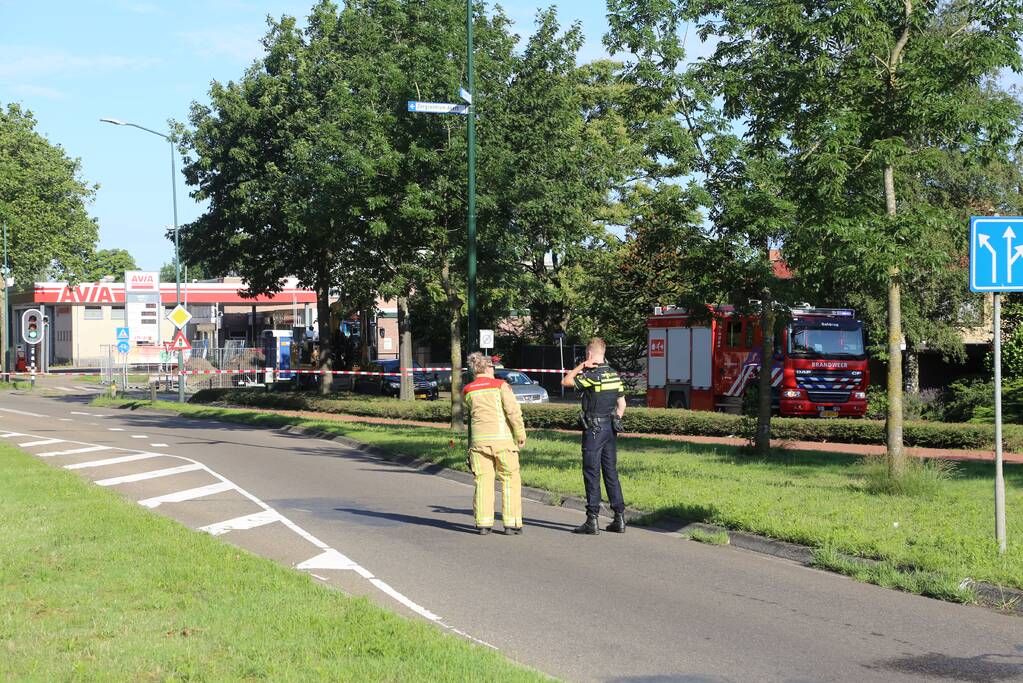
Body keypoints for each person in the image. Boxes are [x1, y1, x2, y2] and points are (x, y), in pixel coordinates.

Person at [561, 338, 627, 535]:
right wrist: (616, 419)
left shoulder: (593, 375)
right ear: (603, 352)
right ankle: (619, 517)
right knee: (611, 472)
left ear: (589, 355)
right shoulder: (614, 375)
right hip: (610, 428)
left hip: (594, 429)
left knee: (591, 472)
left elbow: (565, 381)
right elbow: (622, 405)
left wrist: (581, 365)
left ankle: (592, 520)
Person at [463, 351, 527, 535]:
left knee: (483, 481)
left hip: (479, 443)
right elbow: (513, 411)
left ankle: (483, 523)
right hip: (503, 441)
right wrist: (520, 433)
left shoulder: (468, 389)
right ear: (487, 368)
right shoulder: (500, 385)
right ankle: (511, 523)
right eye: (493, 366)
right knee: (510, 479)